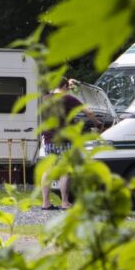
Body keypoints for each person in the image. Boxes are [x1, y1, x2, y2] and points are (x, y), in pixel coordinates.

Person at [40, 78, 84, 210]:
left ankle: (45, 203)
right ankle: (65, 203)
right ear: (65, 86)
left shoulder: (46, 98)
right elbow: (87, 111)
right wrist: (96, 123)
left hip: (48, 139)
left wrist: (65, 85)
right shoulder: (68, 98)